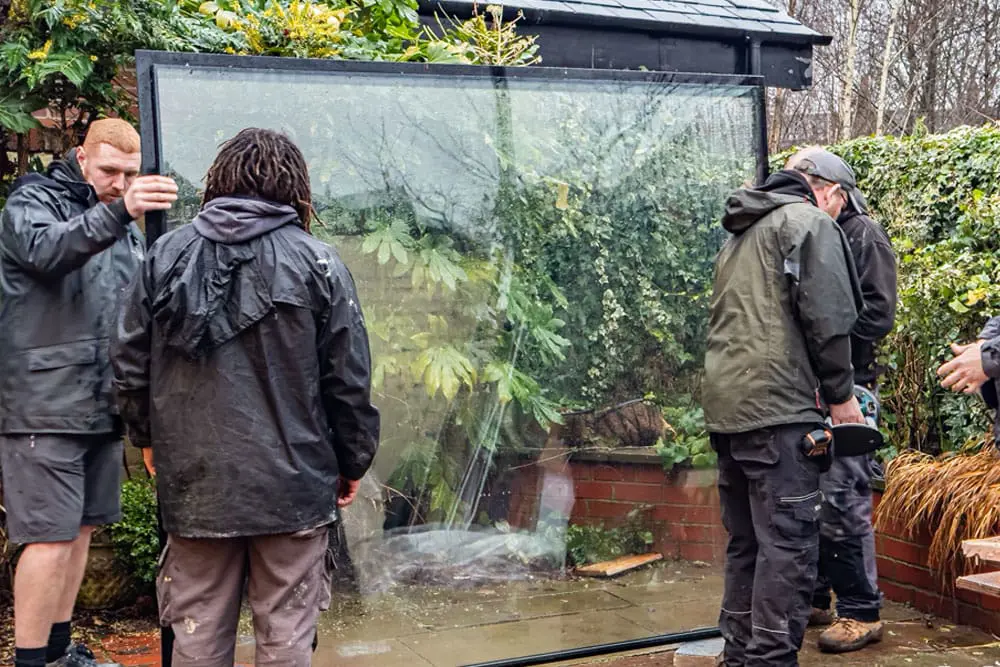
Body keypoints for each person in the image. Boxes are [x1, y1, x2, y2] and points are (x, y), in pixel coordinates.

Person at [111, 127, 380, 667]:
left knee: (196, 637)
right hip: (295, 488)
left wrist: (148, 440)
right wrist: (352, 461)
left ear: (219, 181)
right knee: (286, 640)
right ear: (293, 187)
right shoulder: (318, 263)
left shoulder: (165, 255)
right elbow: (347, 381)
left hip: (197, 484)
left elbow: (128, 366)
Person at [0, 119, 177, 667]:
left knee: (79, 531)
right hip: (43, 404)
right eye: (108, 171)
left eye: (129, 174)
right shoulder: (32, 202)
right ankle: (30, 664)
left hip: (102, 403)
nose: (119, 183)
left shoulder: (123, 223)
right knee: (48, 537)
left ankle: (57, 653)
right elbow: (46, 251)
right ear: (80, 158)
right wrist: (120, 211)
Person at [702, 158, 866, 667]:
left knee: (748, 543)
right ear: (824, 192)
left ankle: (738, 655)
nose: (840, 214)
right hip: (780, 412)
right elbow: (829, 319)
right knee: (789, 546)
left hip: (728, 412)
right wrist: (842, 400)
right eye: (840, 203)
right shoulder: (808, 222)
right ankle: (771, 661)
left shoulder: (739, 236)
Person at [785, 148, 897, 654]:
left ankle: (861, 611)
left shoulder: (863, 235)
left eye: (808, 185)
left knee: (845, 500)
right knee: (812, 498)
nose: (802, 195)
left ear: (835, 190)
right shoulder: (811, 232)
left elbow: (879, 314)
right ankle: (817, 599)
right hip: (811, 388)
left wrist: (828, 335)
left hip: (850, 389)